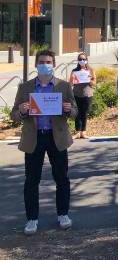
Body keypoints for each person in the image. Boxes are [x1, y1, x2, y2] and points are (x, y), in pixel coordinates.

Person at [11, 50, 78, 235]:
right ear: (36, 65)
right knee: (32, 180)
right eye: (41, 62)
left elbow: (75, 111)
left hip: (56, 137)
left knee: (62, 178)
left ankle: (63, 214)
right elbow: (14, 115)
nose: (45, 65)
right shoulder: (25, 87)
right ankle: (32, 219)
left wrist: (67, 109)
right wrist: (22, 111)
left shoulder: (64, 86)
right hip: (34, 138)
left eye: (48, 61)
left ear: (54, 64)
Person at [69, 52, 95, 139]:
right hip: (76, 94)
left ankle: (83, 132)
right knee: (77, 113)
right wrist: (72, 79)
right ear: (78, 61)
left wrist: (90, 79)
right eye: (80, 59)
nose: (82, 61)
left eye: (84, 59)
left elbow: (94, 83)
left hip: (87, 94)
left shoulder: (91, 70)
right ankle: (77, 132)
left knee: (84, 113)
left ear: (87, 60)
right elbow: (70, 84)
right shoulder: (74, 71)